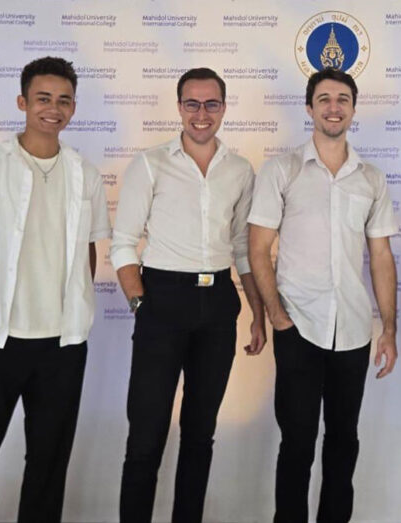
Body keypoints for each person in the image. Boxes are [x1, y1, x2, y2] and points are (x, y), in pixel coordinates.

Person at [0, 56, 110, 522]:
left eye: (63, 100)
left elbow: (89, 253)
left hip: (63, 344)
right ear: (23, 102)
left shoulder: (84, 173)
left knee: (49, 467)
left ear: (73, 108)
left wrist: (75, 306)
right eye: (43, 98)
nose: (53, 108)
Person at [112, 67, 265, 523]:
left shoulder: (239, 169)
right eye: (193, 104)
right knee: (147, 432)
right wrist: (142, 304)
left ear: (224, 107)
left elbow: (242, 248)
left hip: (217, 303)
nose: (202, 114)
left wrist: (258, 312)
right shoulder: (148, 163)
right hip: (162, 299)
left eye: (211, 103)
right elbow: (123, 242)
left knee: (200, 434)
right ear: (179, 107)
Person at [248, 67, 398, 522]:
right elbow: (257, 247)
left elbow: (382, 256)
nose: (334, 107)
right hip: (298, 325)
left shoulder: (370, 177)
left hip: (352, 330)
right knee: (296, 442)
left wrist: (388, 328)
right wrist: (275, 314)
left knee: (343, 441)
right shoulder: (282, 169)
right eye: (325, 99)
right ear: (309, 107)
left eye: (343, 99)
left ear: (354, 108)